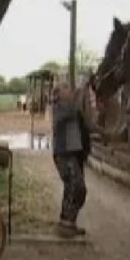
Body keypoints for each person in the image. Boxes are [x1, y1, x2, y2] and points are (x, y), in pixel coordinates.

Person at [51, 80, 90, 238]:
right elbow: (73, 110)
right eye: (65, 87)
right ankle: (66, 224)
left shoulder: (72, 108)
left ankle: (68, 223)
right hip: (64, 153)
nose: (70, 89)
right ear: (58, 94)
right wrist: (81, 92)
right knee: (76, 187)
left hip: (74, 153)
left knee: (75, 189)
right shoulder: (59, 107)